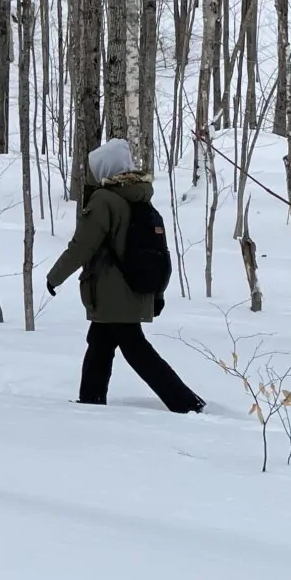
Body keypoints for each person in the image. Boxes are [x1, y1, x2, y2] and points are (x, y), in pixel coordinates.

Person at [45, 138, 204, 413]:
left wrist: (55, 276)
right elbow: (156, 251)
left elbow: (82, 245)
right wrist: (157, 292)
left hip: (112, 292)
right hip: (131, 289)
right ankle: (90, 401)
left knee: (135, 349)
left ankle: (186, 403)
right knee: (100, 343)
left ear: (106, 169)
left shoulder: (105, 199)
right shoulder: (139, 196)